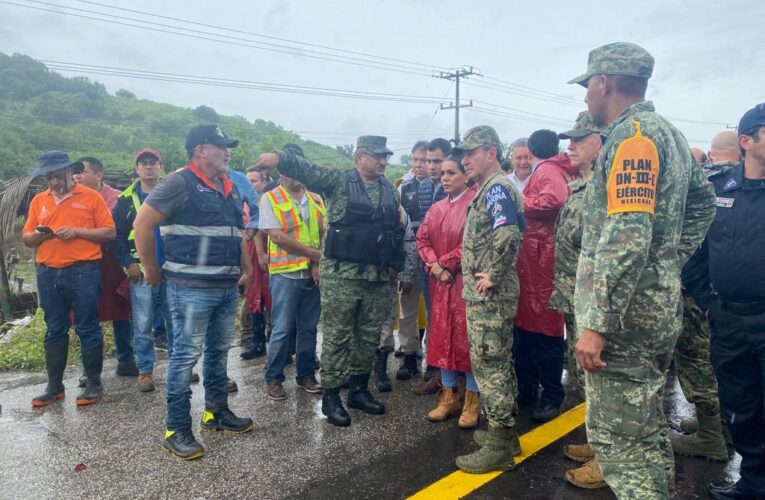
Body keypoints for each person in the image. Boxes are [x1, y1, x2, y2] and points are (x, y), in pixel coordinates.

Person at [569, 42, 716, 498]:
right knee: (644, 433)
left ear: (602, 82)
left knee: (622, 446)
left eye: (587, 88)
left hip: (625, 323)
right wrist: (668, 260)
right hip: (648, 309)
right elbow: (704, 203)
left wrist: (598, 322)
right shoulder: (666, 133)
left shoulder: (634, 138)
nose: (586, 99)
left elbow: (626, 237)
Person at [254, 135, 407, 428]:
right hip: (342, 276)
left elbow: (396, 231)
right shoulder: (338, 181)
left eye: (385, 156)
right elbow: (306, 169)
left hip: (376, 277)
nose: (383, 162)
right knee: (337, 337)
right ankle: (333, 397)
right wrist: (279, 159)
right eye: (377, 156)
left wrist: (395, 266)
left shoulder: (391, 189)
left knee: (368, 336)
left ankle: (359, 390)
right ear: (359, 157)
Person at [133, 124, 253, 460]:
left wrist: (248, 269)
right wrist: (152, 272)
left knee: (218, 353)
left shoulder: (227, 187)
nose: (226, 152)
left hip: (226, 288)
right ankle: (176, 430)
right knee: (185, 358)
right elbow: (142, 225)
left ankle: (216, 413)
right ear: (201, 150)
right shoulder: (179, 182)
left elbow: (236, 232)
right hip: (189, 290)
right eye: (221, 146)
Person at [685, 103, 765, 500]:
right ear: (747, 141)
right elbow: (694, 254)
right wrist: (707, 302)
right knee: (742, 407)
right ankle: (754, 482)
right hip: (729, 321)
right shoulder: (718, 191)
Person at [452, 126, 525, 474]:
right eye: (463, 154)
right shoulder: (489, 188)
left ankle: (499, 445)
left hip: (490, 296)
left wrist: (494, 272)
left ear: (492, 152)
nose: (465, 159)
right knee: (497, 363)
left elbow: (508, 232)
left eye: (471, 153)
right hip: (488, 295)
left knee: (491, 365)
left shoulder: (496, 189)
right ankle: (505, 433)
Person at [23, 151, 116, 407]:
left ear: (69, 172)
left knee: (87, 326)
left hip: (83, 270)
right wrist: (40, 236)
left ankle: (94, 384)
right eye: (49, 176)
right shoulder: (38, 201)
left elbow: (109, 232)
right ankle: (54, 386)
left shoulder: (91, 197)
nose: (54, 181)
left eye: (58, 175)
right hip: (47, 272)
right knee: (54, 329)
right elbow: (27, 237)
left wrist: (76, 231)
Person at [546, 112, 606, 489]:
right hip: (574, 299)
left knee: (602, 380)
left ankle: (610, 458)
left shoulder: (603, 187)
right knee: (586, 380)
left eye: (578, 140)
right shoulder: (582, 185)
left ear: (599, 141)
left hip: (593, 305)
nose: (570, 147)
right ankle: (600, 442)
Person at [514, 129, 578, 423]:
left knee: (545, 331)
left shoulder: (549, 170)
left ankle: (551, 395)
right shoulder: (552, 169)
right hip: (534, 259)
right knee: (529, 329)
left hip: (542, 260)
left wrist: (517, 204)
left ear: (532, 148)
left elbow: (554, 199)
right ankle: (528, 389)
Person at [416, 156, 480, 428]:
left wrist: (444, 264)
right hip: (440, 283)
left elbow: (472, 243)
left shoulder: (475, 205)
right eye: (442, 173)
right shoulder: (437, 208)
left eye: (451, 172)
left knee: (468, 341)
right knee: (442, 338)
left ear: (466, 175)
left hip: (465, 282)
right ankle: (449, 395)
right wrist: (433, 265)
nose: (444, 177)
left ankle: (473, 399)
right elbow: (422, 238)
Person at [259, 174, 325, 400]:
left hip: (310, 274)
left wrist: (316, 263)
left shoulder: (316, 199)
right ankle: (274, 378)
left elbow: (322, 233)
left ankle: (306, 375)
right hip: (284, 274)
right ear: (281, 172)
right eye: (290, 169)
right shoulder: (270, 198)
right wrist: (314, 255)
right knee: (282, 328)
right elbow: (276, 236)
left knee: (309, 327)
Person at [111, 148, 172, 393]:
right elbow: (116, 238)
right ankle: (146, 370)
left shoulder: (174, 193)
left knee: (175, 322)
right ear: (137, 169)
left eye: (153, 163)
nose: (148, 167)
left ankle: (182, 367)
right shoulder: (126, 199)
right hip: (142, 273)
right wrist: (128, 263)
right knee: (143, 323)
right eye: (143, 163)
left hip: (172, 270)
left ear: (161, 166)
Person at [73, 156, 135, 378]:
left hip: (111, 260)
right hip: (81, 262)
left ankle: (126, 360)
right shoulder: (71, 198)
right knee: (85, 314)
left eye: (83, 171)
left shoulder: (116, 198)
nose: (77, 176)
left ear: (99, 174)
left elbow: (123, 232)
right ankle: (90, 370)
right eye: (75, 172)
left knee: (121, 309)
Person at [377, 140, 428, 389]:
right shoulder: (403, 188)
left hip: (434, 256)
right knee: (406, 308)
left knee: (433, 310)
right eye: (416, 160)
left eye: (425, 160)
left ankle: (437, 362)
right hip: (409, 253)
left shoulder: (442, 187)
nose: (420, 165)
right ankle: (409, 356)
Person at [413, 137, 454, 395]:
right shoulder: (424, 188)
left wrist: (445, 262)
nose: (431, 166)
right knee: (433, 317)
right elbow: (424, 230)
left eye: (437, 161)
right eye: (428, 161)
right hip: (430, 265)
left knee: (453, 320)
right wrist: (431, 261)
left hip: (452, 267)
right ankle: (436, 369)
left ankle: (456, 378)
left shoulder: (458, 186)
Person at [240, 165, 270, 360]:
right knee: (254, 298)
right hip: (249, 253)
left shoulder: (270, 200)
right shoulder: (243, 203)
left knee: (272, 299)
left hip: (269, 253)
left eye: (254, 181)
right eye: (248, 181)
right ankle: (257, 342)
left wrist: (261, 253)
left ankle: (277, 342)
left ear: (264, 182)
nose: (250, 184)